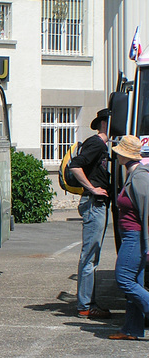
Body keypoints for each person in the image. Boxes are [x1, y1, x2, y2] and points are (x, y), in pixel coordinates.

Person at [68, 108, 111, 319]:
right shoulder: (96, 143)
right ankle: (85, 306)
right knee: (90, 257)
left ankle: (89, 303)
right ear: (106, 123)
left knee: (93, 256)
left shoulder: (102, 146)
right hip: (94, 203)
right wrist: (92, 189)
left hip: (97, 204)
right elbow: (75, 166)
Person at [109, 135, 149, 340]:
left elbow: (147, 213)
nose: (116, 155)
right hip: (130, 235)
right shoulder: (132, 173)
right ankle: (132, 330)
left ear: (126, 155)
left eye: (119, 152)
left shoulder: (140, 177)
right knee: (135, 282)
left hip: (135, 237)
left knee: (124, 279)